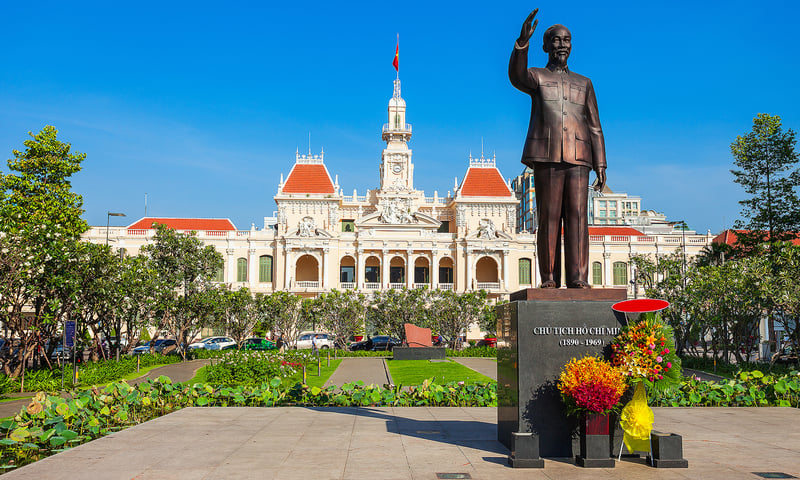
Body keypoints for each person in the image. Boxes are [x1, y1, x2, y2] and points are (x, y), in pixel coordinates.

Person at [509, 9, 607, 288]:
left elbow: (595, 126)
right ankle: (549, 277)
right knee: (549, 217)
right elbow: (516, 76)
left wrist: (601, 164)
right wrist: (521, 43)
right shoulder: (536, 77)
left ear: (571, 46)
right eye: (556, 40)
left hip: (579, 158)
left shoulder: (584, 83)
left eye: (566, 40)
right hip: (547, 156)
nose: (561, 45)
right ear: (545, 46)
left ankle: (578, 277)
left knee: (577, 218)